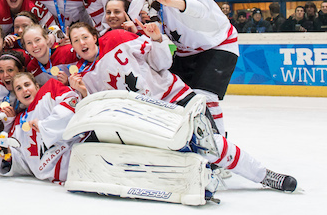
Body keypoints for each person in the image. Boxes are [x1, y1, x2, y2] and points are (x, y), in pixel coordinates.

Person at [66, 22, 297, 192]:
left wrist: (157, 41)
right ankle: (210, 171)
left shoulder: (118, 38)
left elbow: (163, 62)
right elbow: (102, 109)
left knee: (213, 144)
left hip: (177, 98)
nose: (81, 43)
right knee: (188, 154)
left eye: (84, 37)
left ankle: (265, 176)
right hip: (151, 118)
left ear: (94, 36)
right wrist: (84, 93)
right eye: (75, 40)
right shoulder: (82, 76)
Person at [129, 0, 238, 134]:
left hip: (218, 45)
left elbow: (203, 9)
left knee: (205, 96)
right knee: (170, 93)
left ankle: (218, 143)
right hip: (186, 52)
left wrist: (173, 2)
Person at [0, 72, 84, 184]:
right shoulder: (18, 122)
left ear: (36, 86)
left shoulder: (51, 89)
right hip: (55, 179)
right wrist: (9, 154)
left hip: (79, 158)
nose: (24, 90)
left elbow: (73, 106)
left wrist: (44, 126)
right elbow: (25, 160)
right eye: (19, 88)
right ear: (17, 96)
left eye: (27, 84)